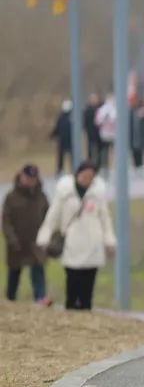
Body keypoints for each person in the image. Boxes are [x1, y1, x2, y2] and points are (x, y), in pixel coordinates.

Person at [36, 161, 115, 310]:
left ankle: (86, 310)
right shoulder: (65, 193)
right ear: (78, 174)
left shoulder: (97, 195)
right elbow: (52, 217)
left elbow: (105, 219)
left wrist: (109, 240)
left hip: (92, 244)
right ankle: (71, 309)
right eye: (85, 175)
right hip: (72, 243)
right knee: (73, 281)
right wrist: (44, 236)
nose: (87, 179)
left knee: (88, 285)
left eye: (91, 177)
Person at [3, 164, 50, 303]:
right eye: (27, 178)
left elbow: (49, 218)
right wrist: (11, 239)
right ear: (21, 177)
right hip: (17, 243)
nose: (30, 181)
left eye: (32, 178)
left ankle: (40, 299)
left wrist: (46, 237)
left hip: (36, 242)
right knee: (14, 273)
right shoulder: (11, 197)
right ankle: (10, 300)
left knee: (38, 271)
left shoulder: (41, 196)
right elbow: (6, 221)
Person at [50, 100, 75, 176]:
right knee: (61, 156)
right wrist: (52, 135)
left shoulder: (73, 117)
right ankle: (60, 170)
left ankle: (73, 168)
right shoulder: (61, 117)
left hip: (70, 140)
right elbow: (57, 128)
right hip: (63, 140)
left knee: (72, 156)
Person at [95, 94, 118, 175]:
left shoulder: (115, 109)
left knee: (114, 152)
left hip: (113, 135)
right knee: (104, 152)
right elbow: (97, 122)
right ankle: (104, 167)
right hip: (104, 135)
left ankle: (114, 167)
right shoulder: (102, 110)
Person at [83, 93, 102, 166]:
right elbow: (85, 122)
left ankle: (99, 164)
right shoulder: (87, 110)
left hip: (99, 132)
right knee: (90, 149)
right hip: (90, 132)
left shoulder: (100, 109)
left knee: (99, 149)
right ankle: (90, 164)